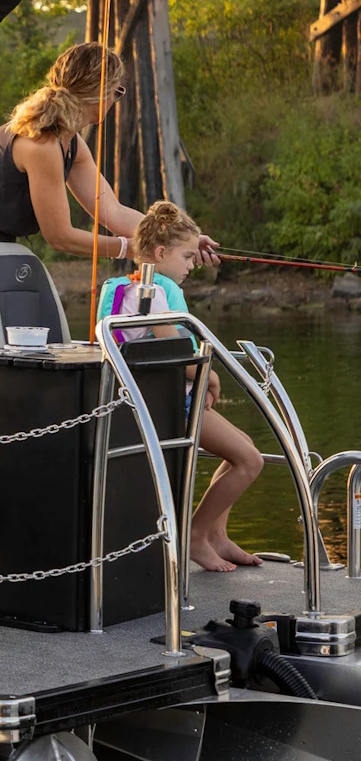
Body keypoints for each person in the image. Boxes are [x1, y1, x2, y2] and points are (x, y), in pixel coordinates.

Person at [0, 42, 219, 496]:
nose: (117, 100)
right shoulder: (41, 142)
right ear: (97, 91)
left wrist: (182, 241)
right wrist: (127, 249)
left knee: (1, 368)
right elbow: (60, 236)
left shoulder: (71, 142)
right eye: (116, 91)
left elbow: (113, 211)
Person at [98, 201, 264, 572]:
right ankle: (195, 534)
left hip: (154, 398)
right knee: (249, 461)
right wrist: (211, 377)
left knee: (242, 448)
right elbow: (179, 356)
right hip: (168, 405)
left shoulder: (122, 290)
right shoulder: (153, 295)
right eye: (187, 256)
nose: (192, 265)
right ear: (160, 254)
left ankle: (217, 536)